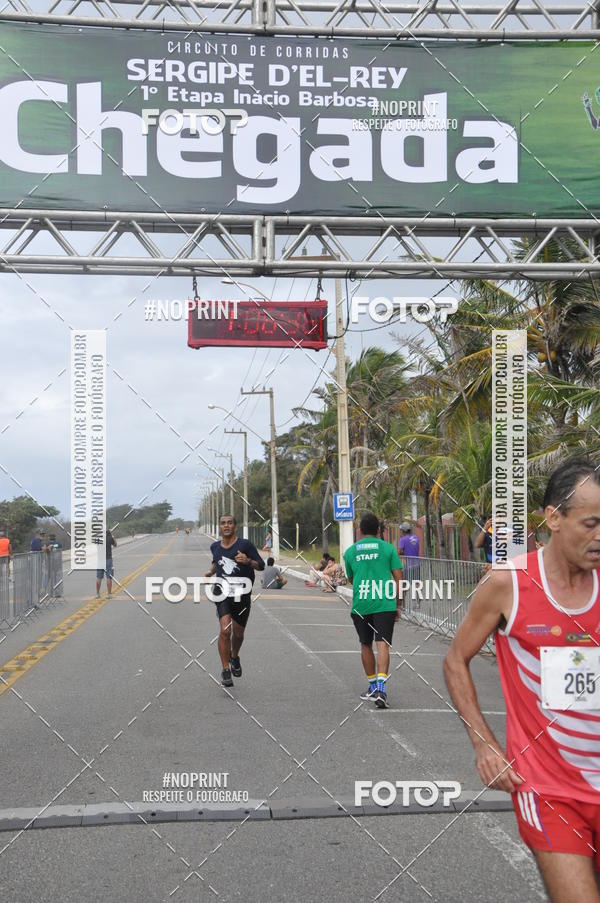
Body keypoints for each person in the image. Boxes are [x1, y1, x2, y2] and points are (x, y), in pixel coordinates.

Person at [444, 457, 600, 903]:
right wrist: (485, 744)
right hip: (549, 789)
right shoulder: (508, 583)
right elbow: (456, 659)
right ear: (553, 517)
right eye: (590, 523)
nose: (599, 535)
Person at [344, 512, 404, 709]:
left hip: (362, 603)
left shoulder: (351, 552)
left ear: (360, 530)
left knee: (365, 644)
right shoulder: (388, 549)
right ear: (378, 530)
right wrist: (398, 603)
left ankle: (371, 687)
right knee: (383, 645)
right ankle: (382, 689)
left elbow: (351, 579)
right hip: (385, 603)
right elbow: (398, 578)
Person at [205, 514, 265, 687]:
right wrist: (210, 572)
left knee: (238, 633)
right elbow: (217, 563)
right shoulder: (215, 546)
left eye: (230, 523)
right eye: (223, 523)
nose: (226, 526)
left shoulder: (245, 545)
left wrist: (247, 561)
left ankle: (234, 656)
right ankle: (225, 669)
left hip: (242, 593)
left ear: (235, 526)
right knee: (225, 630)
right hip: (222, 592)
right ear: (219, 527)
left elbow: (261, 565)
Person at [96, 528, 117, 598]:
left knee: (99, 578)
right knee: (109, 577)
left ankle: (98, 594)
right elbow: (115, 544)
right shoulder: (110, 538)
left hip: (100, 560)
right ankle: (109, 594)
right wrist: (112, 536)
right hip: (108, 559)